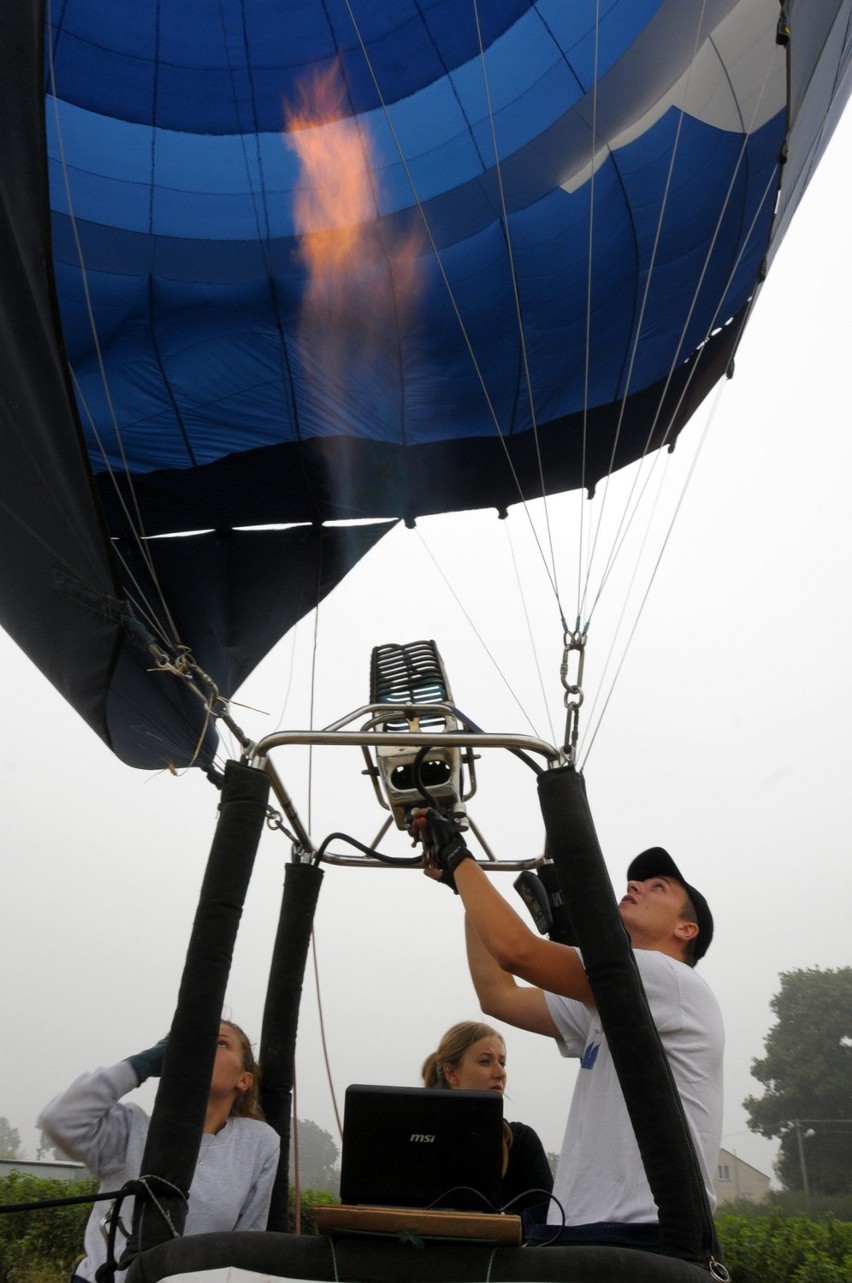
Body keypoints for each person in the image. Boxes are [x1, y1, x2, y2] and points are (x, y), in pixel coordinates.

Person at [412, 810, 723, 1252]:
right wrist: (468, 887)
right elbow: (497, 994)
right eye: (636, 881)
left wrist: (459, 858)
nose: (634, 886)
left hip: (642, 1236)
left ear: (685, 930)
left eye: (658, 888)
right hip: (586, 1230)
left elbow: (517, 952)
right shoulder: (612, 1004)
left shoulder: (668, 980)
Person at [40, 1020, 280, 1282]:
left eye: (221, 1043)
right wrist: (144, 1063)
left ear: (244, 1079)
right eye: (194, 1042)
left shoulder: (259, 1143)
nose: (201, 1048)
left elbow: (246, 1241)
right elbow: (60, 1119)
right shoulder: (133, 1127)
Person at [421, 1020, 553, 1214]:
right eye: (485, 1061)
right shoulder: (418, 1138)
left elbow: (545, 1221)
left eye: (502, 1062)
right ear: (451, 1074)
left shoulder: (521, 1141)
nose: (500, 1073)